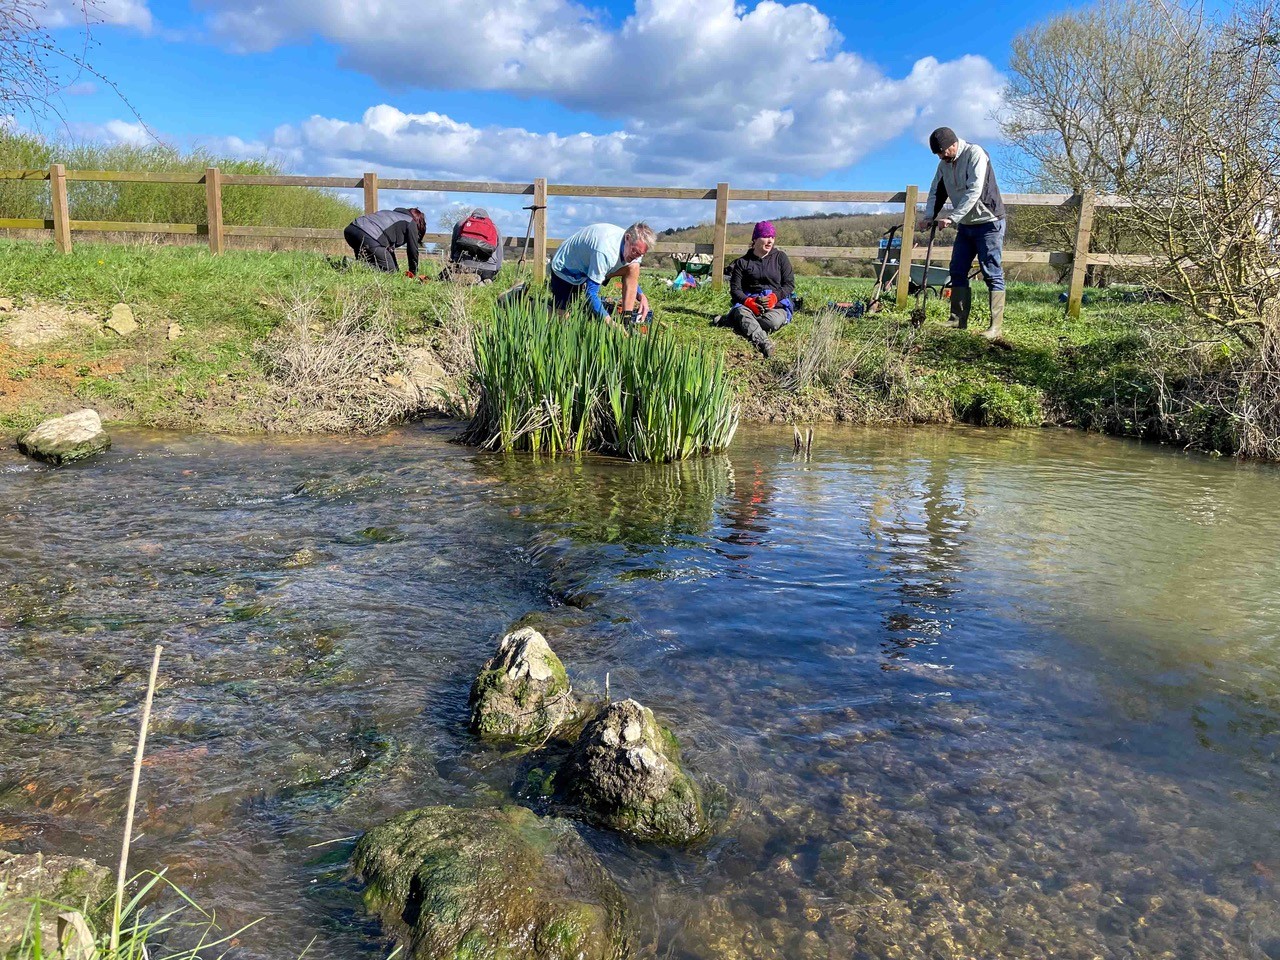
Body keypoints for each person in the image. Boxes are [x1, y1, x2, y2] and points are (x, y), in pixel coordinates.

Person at [919, 126, 1006, 338]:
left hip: (988, 222)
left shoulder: (976, 154)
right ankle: (957, 319)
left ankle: (995, 327)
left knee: (991, 272)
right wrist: (929, 216)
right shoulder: (944, 165)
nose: (940, 156)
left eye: (942, 151)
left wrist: (952, 217)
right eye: (938, 154)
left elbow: (974, 190)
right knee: (957, 269)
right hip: (966, 225)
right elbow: (936, 191)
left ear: (953, 144)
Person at [548, 222, 655, 322]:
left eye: (640, 254)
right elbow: (590, 293)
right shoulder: (605, 251)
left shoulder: (635, 250)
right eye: (635, 251)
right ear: (627, 238)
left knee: (634, 267)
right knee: (563, 318)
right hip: (567, 267)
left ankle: (627, 320)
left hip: (588, 264)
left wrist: (641, 295)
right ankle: (534, 305)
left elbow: (631, 276)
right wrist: (610, 323)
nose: (637, 256)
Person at [724, 221, 794, 358]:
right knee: (741, 312)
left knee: (772, 322)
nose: (770, 241)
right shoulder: (742, 263)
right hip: (749, 305)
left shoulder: (781, 258)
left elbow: (789, 284)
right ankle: (764, 343)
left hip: (776, 305)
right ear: (755, 239)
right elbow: (735, 289)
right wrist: (749, 301)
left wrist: (775, 297)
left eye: (772, 237)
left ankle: (737, 321)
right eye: (766, 236)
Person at [344, 207, 425, 276]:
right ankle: (353, 264)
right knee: (390, 272)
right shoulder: (411, 222)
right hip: (369, 236)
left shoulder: (391, 214)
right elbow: (413, 251)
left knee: (379, 265)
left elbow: (388, 250)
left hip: (351, 230)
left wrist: (396, 268)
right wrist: (413, 273)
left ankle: (356, 265)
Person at [447, 208, 503, 282]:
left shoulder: (460, 224)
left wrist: (453, 263)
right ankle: (484, 280)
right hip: (488, 268)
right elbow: (499, 253)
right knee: (486, 276)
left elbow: (454, 247)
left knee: (444, 277)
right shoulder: (495, 228)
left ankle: (467, 279)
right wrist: (495, 270)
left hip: (463, 266)